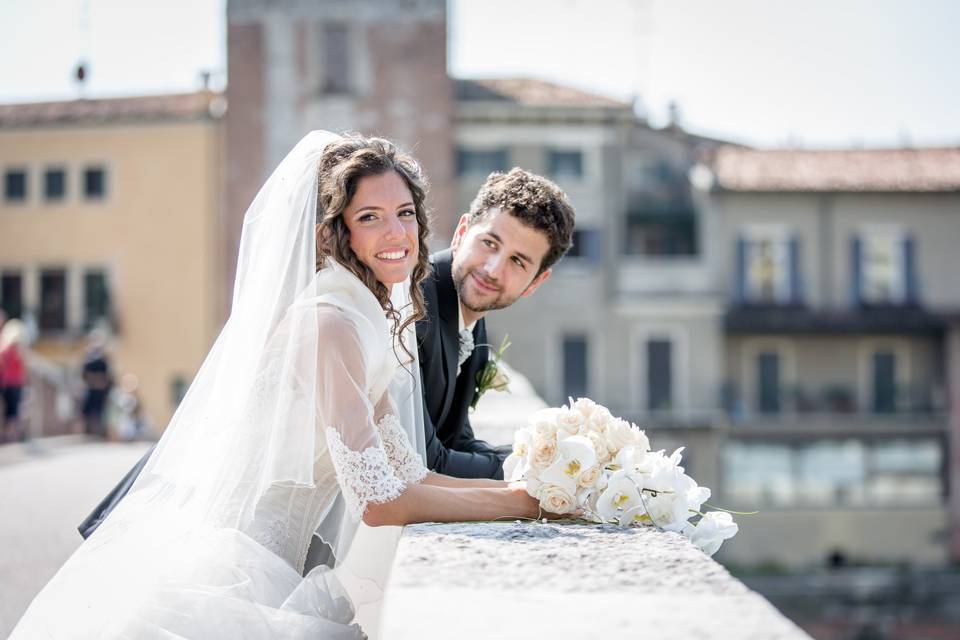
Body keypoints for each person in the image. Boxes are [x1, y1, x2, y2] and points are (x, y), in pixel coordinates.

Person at [10, 132, 549, 639]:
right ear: (334, 232)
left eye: (405, 214)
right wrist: (521, 506)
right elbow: (381, 502)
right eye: (371, 217)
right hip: (231, 572)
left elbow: (412, 473)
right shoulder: (330, 323)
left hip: (279, 571)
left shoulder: (369, 322)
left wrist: (538, 493)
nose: (397, 234)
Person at [420, 168, 575, 479]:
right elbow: (425, 460)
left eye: (517, 261)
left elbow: (455, 440)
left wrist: (555, 461)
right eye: (490, 243)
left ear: (535, 282)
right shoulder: (414, 307)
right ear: (461, 232)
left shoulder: (471, 324)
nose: (493, 269)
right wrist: (540, 473)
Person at [80, 329, 113, 437]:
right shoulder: (89, 356)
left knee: (100, 411)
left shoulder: (104, 357)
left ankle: (98, 431)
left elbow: (108, 373)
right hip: (91, 387)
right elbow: (84, 373)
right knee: (89, 410)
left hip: (100, 388)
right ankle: (89, 431)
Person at [0, 319, 27, 443]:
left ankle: (8, 434)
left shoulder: (6, 349)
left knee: (9, 411)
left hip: (8, 383)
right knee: (13, 411)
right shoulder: (16, 350)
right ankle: (11, 435)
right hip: (14, 383)